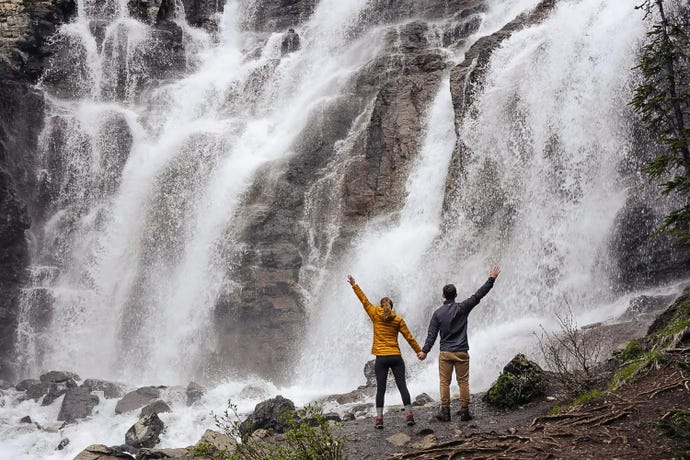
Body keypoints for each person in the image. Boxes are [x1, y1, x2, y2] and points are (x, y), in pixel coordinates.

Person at [418, 266, 501, 422]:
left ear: (443, 295)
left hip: (446, 353)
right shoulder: (463, 308)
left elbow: (432, 335)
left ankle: (445, 411)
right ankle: (464, 411)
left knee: (444, 382)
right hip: (461, 351)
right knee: (463, 382)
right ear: (456, 295)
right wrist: (491, 279)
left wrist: (424, 351)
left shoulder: (437, 314)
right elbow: (478, 295)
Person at [347, 274, 423, 429]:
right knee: (402, 386)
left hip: (381, 357)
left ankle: (379, 419)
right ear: (391, 307)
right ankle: (409, 416)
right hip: (395, 356)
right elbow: (409, 337)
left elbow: (364, 301)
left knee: (381, 389)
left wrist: (355, 285)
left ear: (381, 306)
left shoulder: (375, 315)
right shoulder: (397, 320)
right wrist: (419, 351)